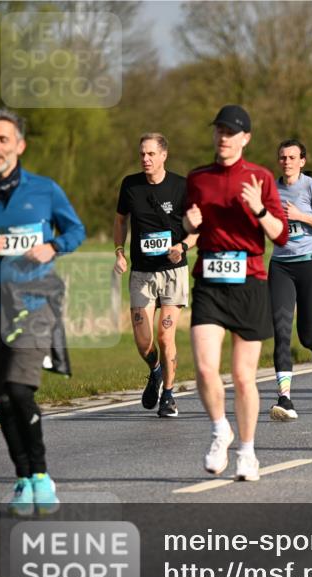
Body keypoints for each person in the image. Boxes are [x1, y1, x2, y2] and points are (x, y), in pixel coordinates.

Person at [0, 108, 86, 515]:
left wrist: (53, 246)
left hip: (35, 303)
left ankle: (41, 475)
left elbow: (76, 230)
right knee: (1, 397)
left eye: (3, 139)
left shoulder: (45, 190)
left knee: (20, 389)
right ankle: (23, 478)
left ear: (19, 144)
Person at [184, 104, 289, 481]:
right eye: (219, 131)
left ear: (246, 138)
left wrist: (260, 209)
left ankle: (247, 451)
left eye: (231, 132)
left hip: (249, 280)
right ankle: (219, 429)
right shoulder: (197, 178)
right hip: (210, 280)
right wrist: (187, 225)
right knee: (204, 367)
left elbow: (281, 234)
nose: (223, 137)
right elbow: (189, 230)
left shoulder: (260, 177)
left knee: (243, 377)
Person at [113, 133, 195, 418]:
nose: (145, 159)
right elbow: (121, 219)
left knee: (165, 335)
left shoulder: (181, 187)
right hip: (141, 273)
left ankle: (169, 396)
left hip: (173, 272)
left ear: (163, 155)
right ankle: (156, 371)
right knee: (143, 342)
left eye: (151, 154)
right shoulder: (130, 185)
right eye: (142, 155)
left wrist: (183, 246)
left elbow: (198, 227)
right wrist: (119, 252)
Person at [267, 139, 312, 422]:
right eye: (282, 157)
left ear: (302, 161)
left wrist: (301, 217)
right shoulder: (270, 189)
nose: (286, 162)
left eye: (292, 157)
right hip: (281, 267)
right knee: (281, 332)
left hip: (310, 266)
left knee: (305, 333)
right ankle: (284, 397)